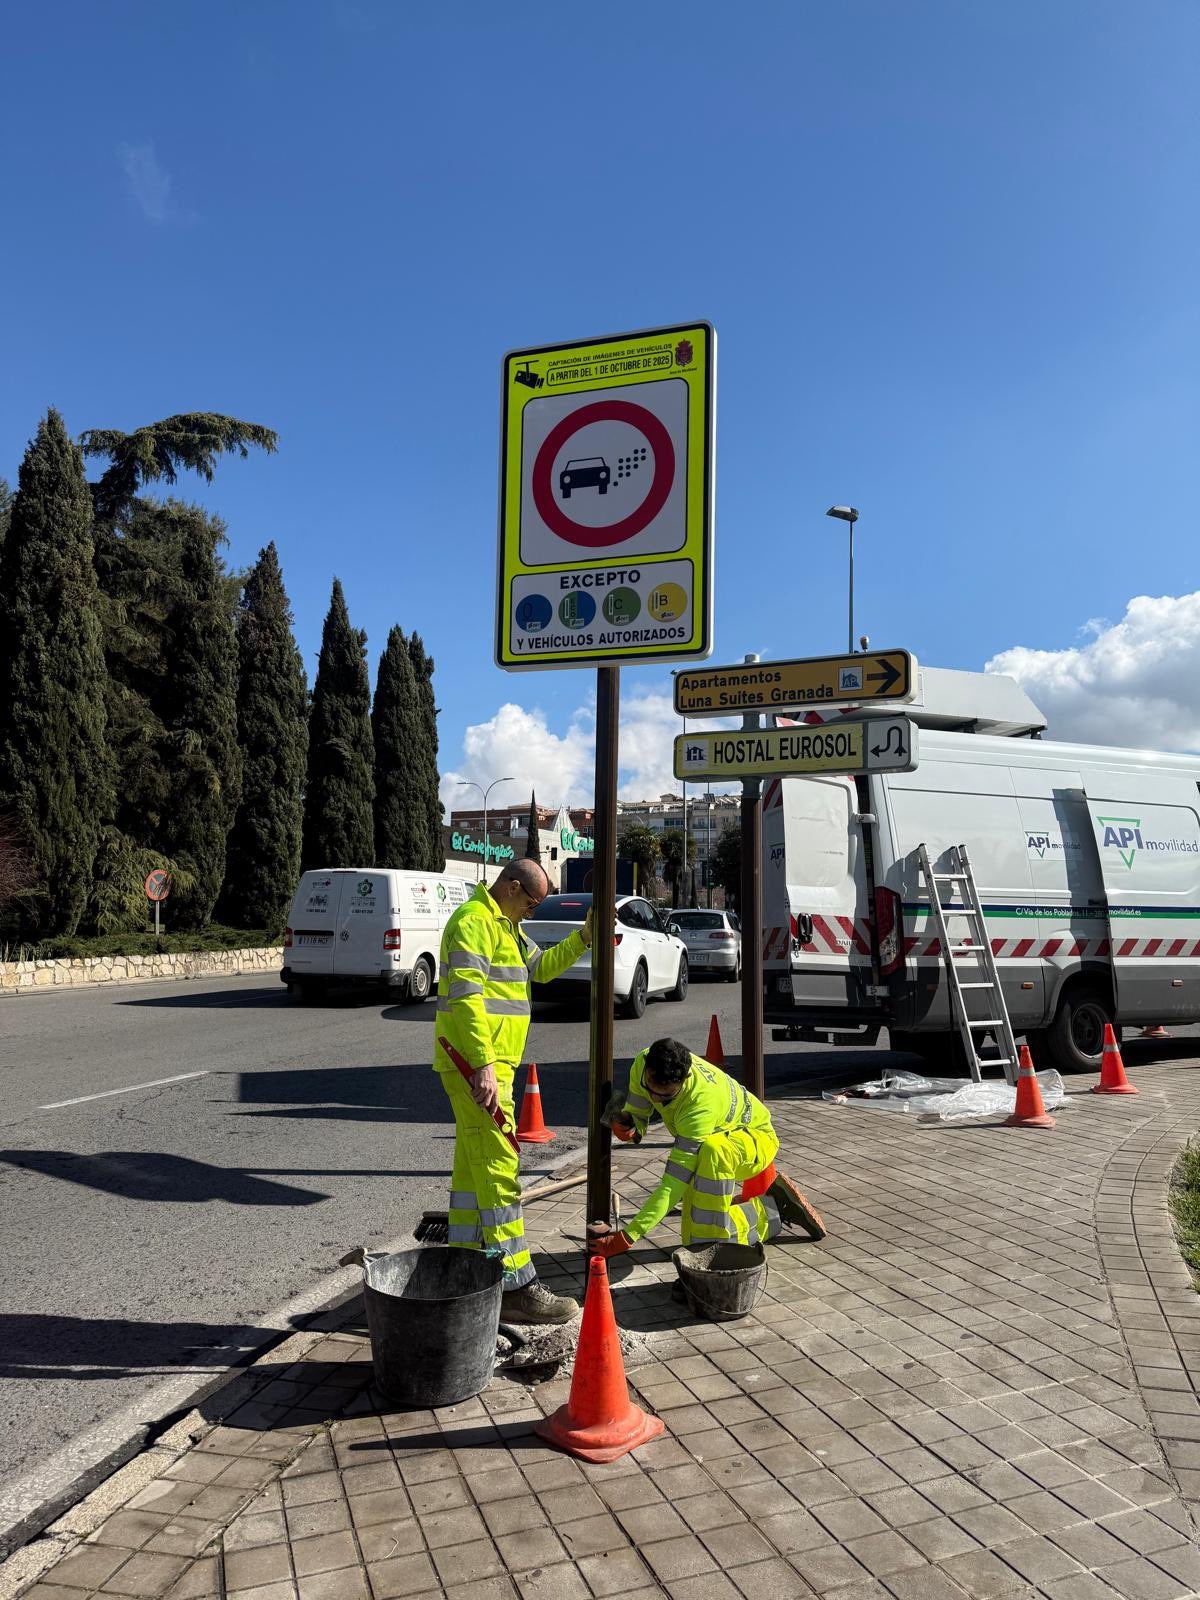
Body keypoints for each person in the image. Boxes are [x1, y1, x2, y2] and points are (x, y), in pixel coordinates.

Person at [435, 857, 593, 1324]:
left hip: (486, 1066)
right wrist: (483, 1065)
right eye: (532, 902)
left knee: (471, 1175)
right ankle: (517, 1285)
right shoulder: (474, 923)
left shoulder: (504, 926)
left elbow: (541, 969)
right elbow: (465, 999)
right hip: (475, 1066)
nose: (533, 911)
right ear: (510, 886)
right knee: (502, 1167)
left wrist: (583, 938)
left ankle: (459, 1277)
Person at [590, 1037, 826, 1260]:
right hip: (715, 1143)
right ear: (646, 1068)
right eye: (650, 1088)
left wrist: (629, 1235)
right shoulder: (643, 1062)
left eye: (667, 1096)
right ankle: (768, 1212)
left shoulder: (699, 1107)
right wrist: (633, 1126)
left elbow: (672, 1184)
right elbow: (639, 1109)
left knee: (707, 1235)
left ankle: (771, 1213)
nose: (656, 1099)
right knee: (695, 1230)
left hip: (754, 1140)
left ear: (685, 1078)